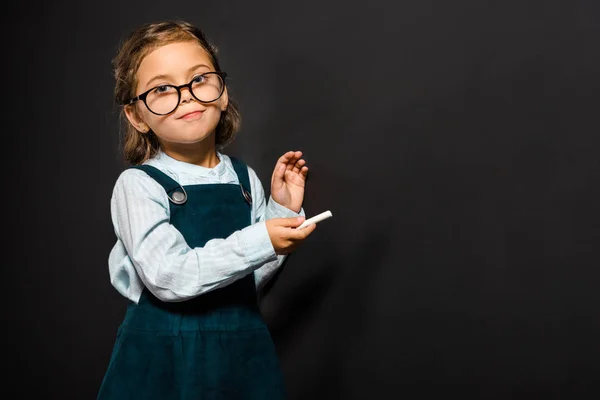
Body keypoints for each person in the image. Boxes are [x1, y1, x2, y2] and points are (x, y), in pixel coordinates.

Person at [97, 20, 316, 400]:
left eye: (199, 79)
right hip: (164, 356)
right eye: (162, 88)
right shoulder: (139, 185)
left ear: (222, 91)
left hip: (240, 353)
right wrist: (262, 237)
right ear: (136, 116)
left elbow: (248, 277)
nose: (186, 95)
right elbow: (169, 277)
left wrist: (280, 211)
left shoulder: (245, 178)